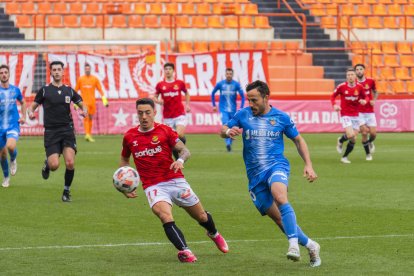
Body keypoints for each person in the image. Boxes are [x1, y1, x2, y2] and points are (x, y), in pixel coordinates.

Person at [221, 80, 321, 267]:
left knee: (280, 196)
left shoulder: (281, 117)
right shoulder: (243, 114)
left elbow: (298, 140)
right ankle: (311, 244)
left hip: (276, 166)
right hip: (255, 176)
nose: (250, 104)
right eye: (248, 100)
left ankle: (293, 245)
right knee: (278, 218)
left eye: (254, 100)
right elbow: (222, 129)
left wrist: (308, 164)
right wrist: (227, 131)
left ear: (266, 97)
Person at [119, 98, 228, 263]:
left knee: (201, 217)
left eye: (147, 112)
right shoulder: (129, 136)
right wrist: (126, 186)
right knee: (165, 216)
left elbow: (184, 151)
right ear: (137, 113)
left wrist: (180, 161)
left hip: (175, 180)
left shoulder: (165, 130)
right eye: (140, 113)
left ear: (155, 113)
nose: (144, 116)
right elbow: (124, 161)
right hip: (153, 186)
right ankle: (185, 250)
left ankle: (213, 233)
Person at [27, 61, 86, 202]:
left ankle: (66, 192)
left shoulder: (69, 90)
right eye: (54, 70)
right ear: (51, 72)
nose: (57, 72)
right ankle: (47, 164)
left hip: (67, 130)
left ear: (63, 72)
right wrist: (30, 113)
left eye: (59, 69)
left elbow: (81, 103)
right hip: (51, 132)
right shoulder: (45, 90)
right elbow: (32, 107)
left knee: (70, 163)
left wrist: (84, 111)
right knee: (54, 166)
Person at [153, 63, 190, 159]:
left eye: (170, 69)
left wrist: (187, 105)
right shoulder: (160, 85)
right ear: (164, 71)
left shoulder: (179, 83)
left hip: (179, 114)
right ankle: (178, 157)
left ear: (173, 71)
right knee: (172, 138)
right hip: (168, 117)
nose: (168, 71)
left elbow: (186, 93)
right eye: (166, 69)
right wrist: (158, 101)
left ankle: (181, 151)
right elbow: (154, 97)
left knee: (179, 134)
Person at [331, 68, 367, 164]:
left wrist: (365, 101)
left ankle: (344, 157)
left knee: (354, 139)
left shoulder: (360, 87)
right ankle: (340, 140)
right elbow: (333, 96)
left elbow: (365, 96)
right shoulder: (341, 86)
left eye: (352, 74)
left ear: (355, 76)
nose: (350, 76)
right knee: (350, 135)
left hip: (356, 115)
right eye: (348, 75)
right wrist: (334, 104)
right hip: (345, 114)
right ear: (346, 77)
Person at [0, 64, 27, 188]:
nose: (4, 74)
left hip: (12, 125)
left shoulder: (15, 90)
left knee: (11, 146)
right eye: (1, 73)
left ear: (9, 74)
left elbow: (23, 102)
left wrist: (24, 117)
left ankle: (13, 160)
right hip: (0, 127)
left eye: (5, 72)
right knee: (2, 155)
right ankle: (6, 178)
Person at [211, 68, 245, 152]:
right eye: (227, 74)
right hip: (223, 110)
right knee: (225, 125)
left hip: (233, 110)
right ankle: (228, 144)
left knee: (232, 127)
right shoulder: (220, 84)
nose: (229, 75)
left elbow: (243, 96)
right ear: (225, 74)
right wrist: (214, 105)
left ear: (232, 75)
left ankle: (229, 142)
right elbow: (212, 93)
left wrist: (241, 107)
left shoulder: (236, 84)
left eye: (230, 74)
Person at [75, 63, 108, 142]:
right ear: (84, 70)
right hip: (84, 103)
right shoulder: (81, 79)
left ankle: (89, 134)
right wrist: (76, 103)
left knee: (90, 118)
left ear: (90, 69)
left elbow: (100, 89)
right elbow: (75, 91)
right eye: (86, 69)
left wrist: (104, 100)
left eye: (88, 69)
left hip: (92, 102)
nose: (87, 70)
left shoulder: (94, 79)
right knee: (86, 118)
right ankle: (87, 134)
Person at [355, 64, 378, 161]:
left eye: (361, 69)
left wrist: (374, 100)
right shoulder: (353, 83)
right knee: (364, 132)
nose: (359, 71)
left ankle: (370, 142)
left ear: (364, 70)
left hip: (369, 111)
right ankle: (368, 154)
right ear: (355, 71)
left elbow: (376, 91)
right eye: (357, 69)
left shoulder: (371, 81)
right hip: (359, 112)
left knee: (373, 134)